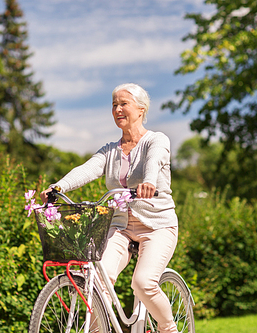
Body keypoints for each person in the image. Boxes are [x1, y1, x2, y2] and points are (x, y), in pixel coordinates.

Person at [40, 83, 179, 333]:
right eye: (114, 105)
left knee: (143, 283)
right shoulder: (110, 150)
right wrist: (58, 187)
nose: (117, 109)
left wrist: (148, 181)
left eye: (123, 104)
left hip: (157, 225)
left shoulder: (156, 140)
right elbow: (88, 168)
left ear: (140, 109)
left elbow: (154, 160)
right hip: (121, 228)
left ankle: (168, 327)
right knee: (95, 281)